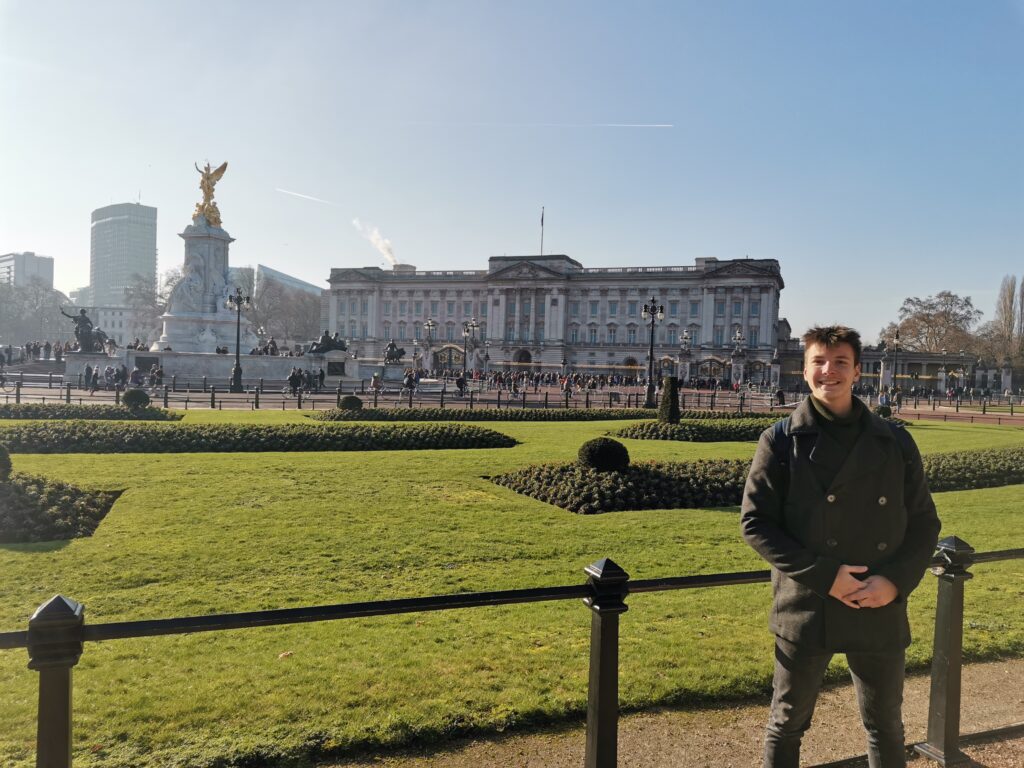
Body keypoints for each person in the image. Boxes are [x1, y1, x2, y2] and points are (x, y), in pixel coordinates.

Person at [740, 325, 940, 768]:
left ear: (857, 371)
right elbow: (755, 523)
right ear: (805, 369)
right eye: (819, 362)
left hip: (878, 600)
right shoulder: (779, 439)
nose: (829, 371)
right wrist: (825, 575)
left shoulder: (896, 440)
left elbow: (925, 523)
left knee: (885, 725)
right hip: (808, 602)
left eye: (840, 362)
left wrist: (894, 582)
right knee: (787, 721)